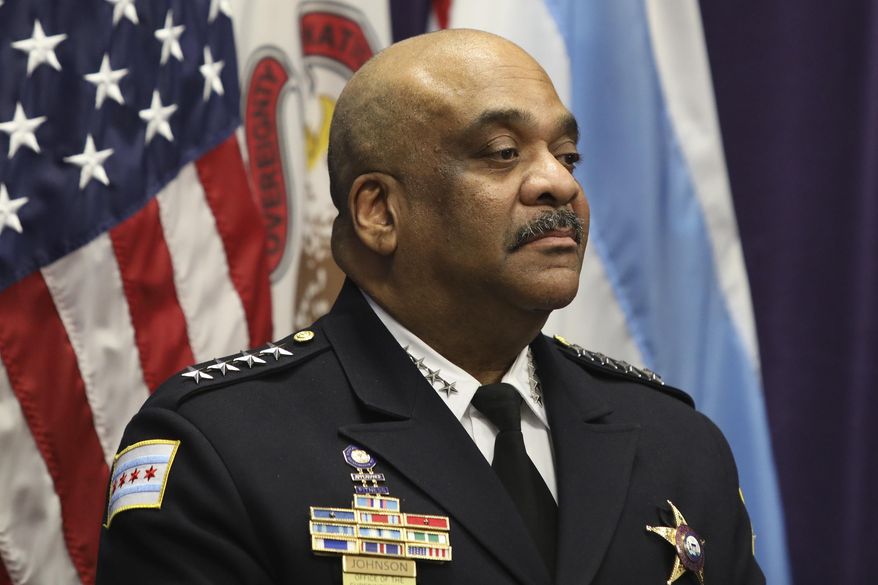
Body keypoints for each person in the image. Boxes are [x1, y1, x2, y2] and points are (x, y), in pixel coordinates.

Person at [96, 29, 764, 584]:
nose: (559, 182)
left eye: (567, 154)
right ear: (379, 211)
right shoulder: (223, 450)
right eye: (503, 153)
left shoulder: (676, 442)